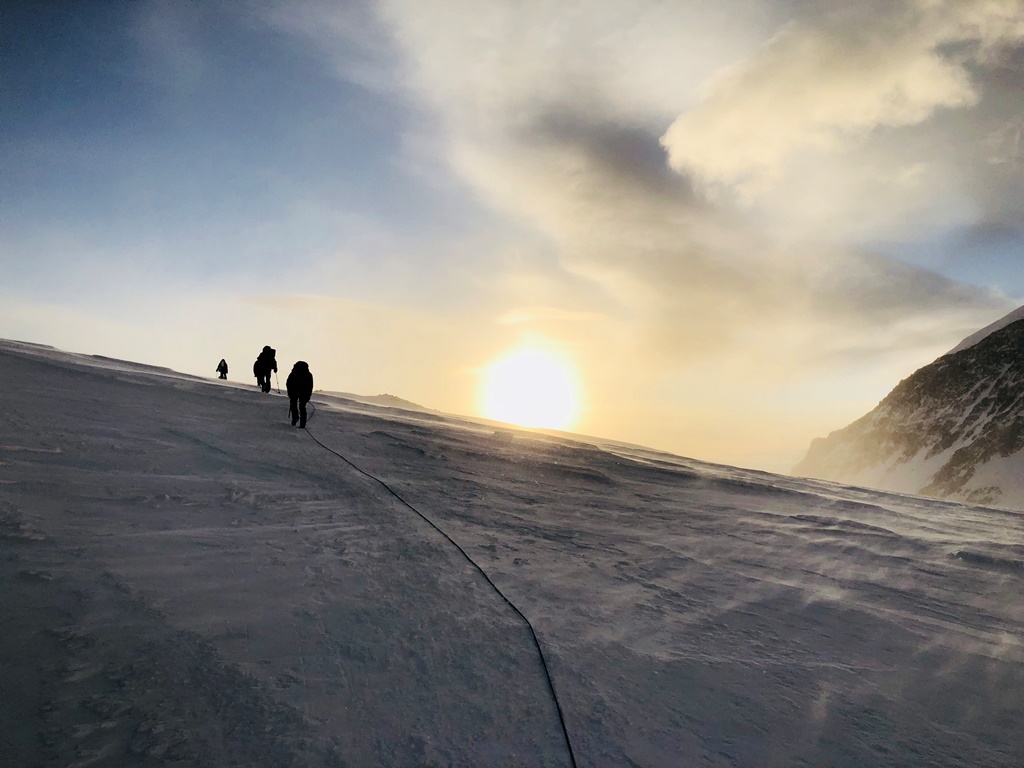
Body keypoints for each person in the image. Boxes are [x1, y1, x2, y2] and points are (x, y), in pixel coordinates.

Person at [286, 361, 314, 428]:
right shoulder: (308, 374)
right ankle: (302, 423)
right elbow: (310, 386)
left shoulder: (293, 373)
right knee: (302, 407)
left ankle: (295, 418)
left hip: (294, 392)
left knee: (293, 405)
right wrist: (308, 395)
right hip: (304, 393)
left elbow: (288, 383)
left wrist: (290, 392)